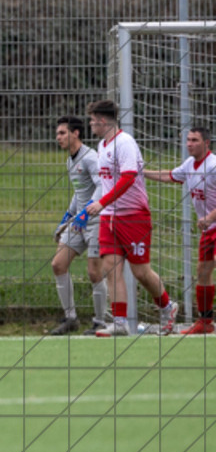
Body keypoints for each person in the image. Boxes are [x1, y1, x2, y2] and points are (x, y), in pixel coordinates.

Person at [77, 100, 178, 336]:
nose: (91, 124)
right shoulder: (102, 146)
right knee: (110, 268)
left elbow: (129, 177)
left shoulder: (125, 143)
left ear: (102, 120)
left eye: (92, 120)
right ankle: (120, 321)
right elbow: (106, 183)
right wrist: (93, 205)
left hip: (134, 217)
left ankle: (167, 306)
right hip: (109, 218)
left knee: (141, 272)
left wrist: (102, 202)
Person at [143, 127, 216, 335]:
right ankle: (205, 322)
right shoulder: (190, 165)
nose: (189, 144)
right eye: (188, 140)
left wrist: (210, 217)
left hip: (213, 223)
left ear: (206, 143)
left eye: (194, 140)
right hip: (209, 229)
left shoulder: (213, 165)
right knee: (202, 272)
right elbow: (169, 175)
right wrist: (139, 172)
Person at [49, 116, 109, 336]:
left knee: (94, 272)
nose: (58, 138)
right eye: (57, 134)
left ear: (76, 133)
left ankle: (100, 322)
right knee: (58, 264)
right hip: (79, 221)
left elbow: (102, 186)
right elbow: (79, 191)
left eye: (63, 133)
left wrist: (88, 211)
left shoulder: (91, 158)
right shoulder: (70, 160)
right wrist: (69, 216)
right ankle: (71, 319)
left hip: (96, 220)